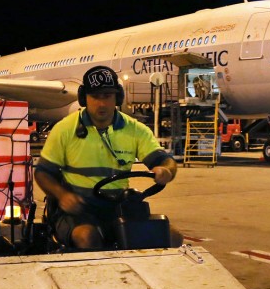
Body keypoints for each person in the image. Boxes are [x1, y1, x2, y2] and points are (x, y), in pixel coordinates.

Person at [36, 65, 179, 249]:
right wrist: (62, 195)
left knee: (172, 237)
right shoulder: (64, 129)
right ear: (83, 98)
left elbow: (166, 161)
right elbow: (42, 173)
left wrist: (166, 170)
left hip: (118, 208)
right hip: (77, 211)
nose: (101, 103)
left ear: (117, 98)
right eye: (95, 97)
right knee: (88, 237)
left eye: (107, 96)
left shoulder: (135, 130)